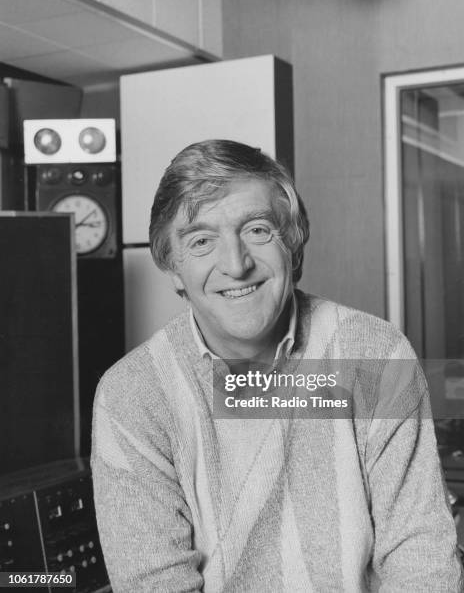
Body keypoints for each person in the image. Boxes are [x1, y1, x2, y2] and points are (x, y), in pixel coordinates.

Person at [91, 139, 463, 592]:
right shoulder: (132, 395)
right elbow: (155, 584)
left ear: (292, 243)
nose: (235, 263)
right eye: (202, 240)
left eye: (258, 229)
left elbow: (420, 555)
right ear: (173, 267)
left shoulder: (376, 352)